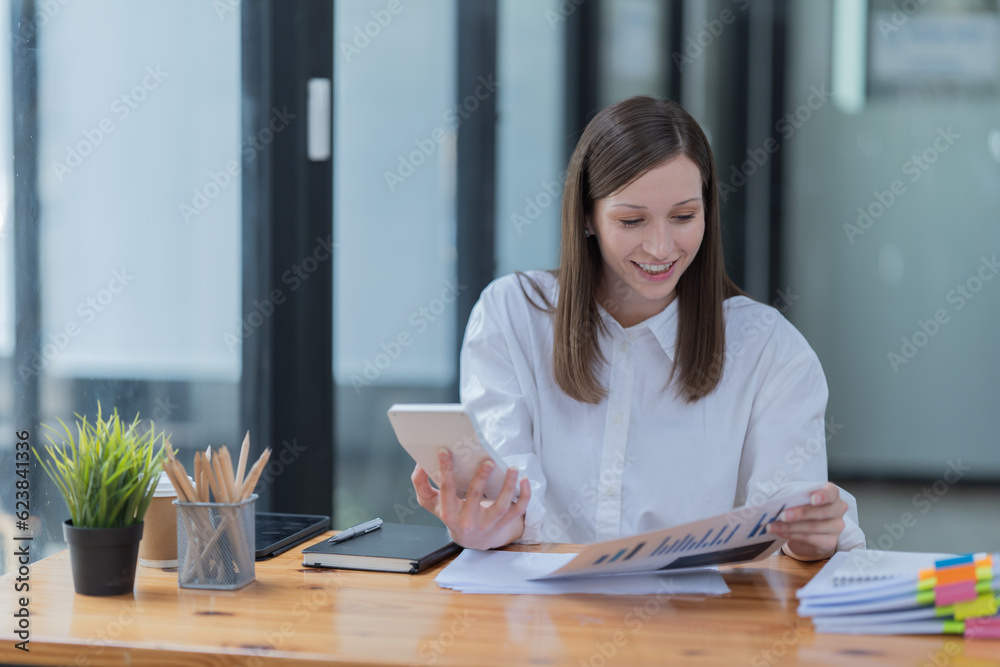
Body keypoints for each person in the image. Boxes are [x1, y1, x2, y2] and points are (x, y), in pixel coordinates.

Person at [411, 96, 865, 560]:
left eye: (684, 216)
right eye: (632, 220)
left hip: (697, 624)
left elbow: (788, 521)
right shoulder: (512, 315)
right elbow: (507, 499)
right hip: (543, 621)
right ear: (587, 216)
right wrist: (485, 524)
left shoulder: (769, 349)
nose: (660, 246)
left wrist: (812, 536)